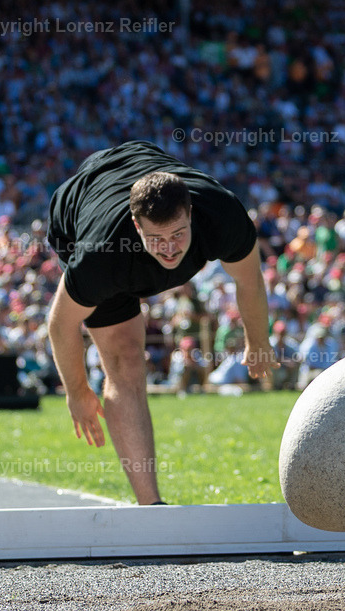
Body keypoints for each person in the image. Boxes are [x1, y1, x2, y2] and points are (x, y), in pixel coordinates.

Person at [46, 141, 278, 505]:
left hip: (144, 158)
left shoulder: (223, 214)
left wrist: (258, 340)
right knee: (125, 359)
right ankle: (151, 506)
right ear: (137, 225)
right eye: (156, 238)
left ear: (191, 214)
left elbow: (249, 280)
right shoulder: (100, 254)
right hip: (79, 208)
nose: (169, 248)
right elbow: (61, 324)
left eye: (177, 235)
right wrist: (76, 392)